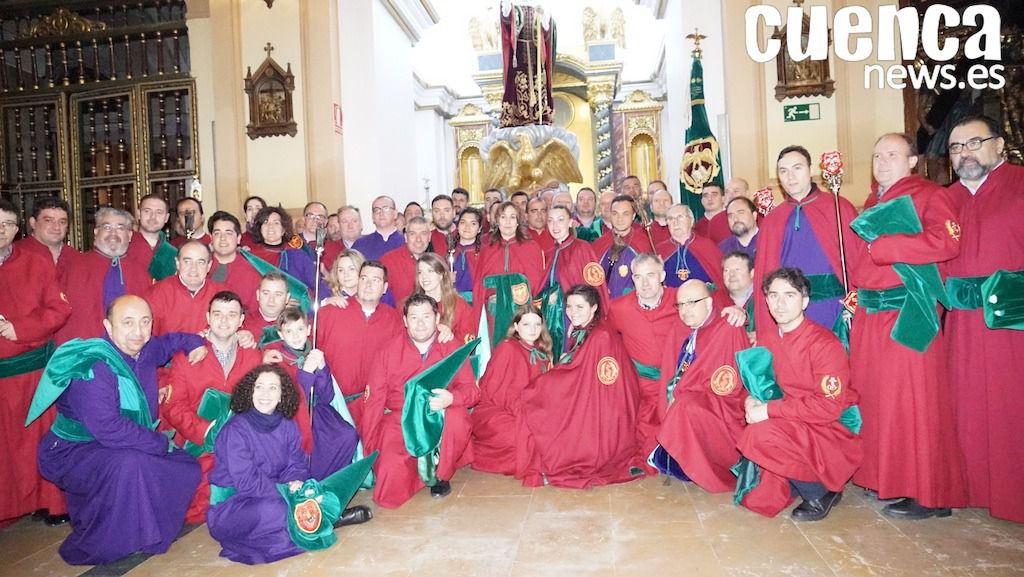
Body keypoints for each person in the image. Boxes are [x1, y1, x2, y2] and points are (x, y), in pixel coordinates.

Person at [848, 132, 967, 520]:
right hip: (872, 314)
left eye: (892, 154)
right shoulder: (871, 202)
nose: (882, 162)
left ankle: (929, 494)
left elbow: (947, 242)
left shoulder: (932, 194)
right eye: (877, 155)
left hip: (909, 311)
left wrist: (885, 249)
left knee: (915, 402)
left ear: (912, 160)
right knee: (880, 401)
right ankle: (889, 479)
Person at [34, 295, 204, 564]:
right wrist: (159, 443)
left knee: (186, 468)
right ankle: (104, 541)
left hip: (122, 442)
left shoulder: (146, 348)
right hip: (74, 450)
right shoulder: (94, 365)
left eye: (145, 322)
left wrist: (195, 342)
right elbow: (108, 428)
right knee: (132, 463)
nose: (138, 331)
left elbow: (171, 342)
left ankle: (147, 531)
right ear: (108, 326)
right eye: (127, 323)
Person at [207, 364, 370, 565]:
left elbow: (297, 464)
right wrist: (287, 492)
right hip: (234, 506)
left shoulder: (287, 424)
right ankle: (326, 522)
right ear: (250, 391)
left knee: (314, 492)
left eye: (273, 388)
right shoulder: (235, 431)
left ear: (282, 395)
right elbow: (247, 482)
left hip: (275, 494)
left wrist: (296, 482)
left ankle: (313, 521)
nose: (265, 394)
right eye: (259, 387)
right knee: (277, 510)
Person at [944, 115, 1024, 523]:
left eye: (974, 143)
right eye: (956, 147)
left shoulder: (1020, 185)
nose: (964, 153)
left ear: (1000, 145)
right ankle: (971, 488)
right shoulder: (946, 200)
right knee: (965, 405)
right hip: (960, 326)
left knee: (1012, 408)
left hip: (1012, 326)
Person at [737, 268, 862, 521]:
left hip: (827, 428)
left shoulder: (825, 344)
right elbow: (761, 383)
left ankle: (820, 492)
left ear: (805, 301)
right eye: (773, 296)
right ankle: (805, 477)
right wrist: (751, 400)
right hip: (791, 422)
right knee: (758, 498)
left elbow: (828, 408)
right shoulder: (768, 338)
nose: (780, 304)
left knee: (759, 435)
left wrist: (768, 411)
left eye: (789, 296)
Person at [517, 284, 640, 488]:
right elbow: (581, 366)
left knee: (539, 394)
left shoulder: (601, 336)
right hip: (596, 394)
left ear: (594, 308)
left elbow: (585, 374)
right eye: (569, 307)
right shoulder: (585, 329)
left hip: (608, 407)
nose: (572, 312)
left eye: (580, 307)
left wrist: (549, 379)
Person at [362, 294, 478, 508]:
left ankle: (440, 475)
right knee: (388, 488)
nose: (421, 323)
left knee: (458, 418)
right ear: (404, 321)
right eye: (414, 317)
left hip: (442, 415)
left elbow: (472, 391)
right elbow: (375, 401)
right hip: (402, 418)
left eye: (426, 316)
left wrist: (452, 398)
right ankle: (413, 469)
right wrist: (369, 450)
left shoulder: (450, 345)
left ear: (437, 318)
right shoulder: (387, 351)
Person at [162, 291, 263, 524]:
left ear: (241, 321)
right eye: (217, 314)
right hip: (199, 444)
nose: (224, 321)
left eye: (232, 315)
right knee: (205, 501)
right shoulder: (186, 356)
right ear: (207, 317)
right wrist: (206, 431)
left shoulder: (252, 356)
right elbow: (173, 406)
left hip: (241, 442)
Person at [0, 199, 72, 526]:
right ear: (33, 224)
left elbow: (59, 310)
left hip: (29, 373)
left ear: (18, 228)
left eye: (8, 224)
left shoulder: (35, 263)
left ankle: (47, 504)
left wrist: (20, 328)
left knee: (36, 445)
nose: (2, 230)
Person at [753, 145, 862, 338]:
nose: (790, 177)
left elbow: (858, 263)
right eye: (783, 171)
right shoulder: (772, 221)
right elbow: (765, 275)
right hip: (789, 313)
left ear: (811, 170)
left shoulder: (838, 208)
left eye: (797, 168)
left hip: (834, 309)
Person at [653, 279, 750, 491]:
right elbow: (670, 371)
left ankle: (703, 469)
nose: (685, 310)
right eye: (680, 305)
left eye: (692, 302)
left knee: (685, 406)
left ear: (708, 303)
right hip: (691, 395)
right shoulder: (681, 328)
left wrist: (688, 391)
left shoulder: (727, 327)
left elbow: (730, 385)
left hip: (721, 406)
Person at [261, 308, 361, 481]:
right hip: (293, 417)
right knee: (305, 446)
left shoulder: (313, 352)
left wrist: (322, 368)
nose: (295, 335)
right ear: (281, 334)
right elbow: (291, 402)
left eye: (300, 329)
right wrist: (306, 372)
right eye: (289, 331)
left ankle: (328, 482)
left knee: (347, 435)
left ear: (308, 330)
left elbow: (327, 396)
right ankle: (305, 483)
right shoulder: (277, 359)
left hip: (318, 411)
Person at [607, 253, 679, 474]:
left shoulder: (680, 300)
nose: (645, 283)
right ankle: (649, 455)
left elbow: (711, 303)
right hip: (639, 383)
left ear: (662, 276)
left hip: (675, 381)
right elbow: (604, 335)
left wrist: (734, 311)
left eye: (650, 275)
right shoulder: (619, 307)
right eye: (638, 277)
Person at [317, 261, 404, 429]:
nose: (369, 285)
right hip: (332, 404)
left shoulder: (394, 320)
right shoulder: (330, 313)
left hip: (373, 407)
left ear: (385, 287)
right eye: (364, 278)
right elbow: (304, 347)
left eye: (376, 280)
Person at [472, 307, 551, 475]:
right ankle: (472, 452)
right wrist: (523, 410)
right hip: (493, 410)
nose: (532, 329)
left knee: (545, 434)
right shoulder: (507, 348)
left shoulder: (541, 353)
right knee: (522, 436)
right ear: (516, 326)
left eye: (537, 324)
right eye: (526, 324)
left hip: (524, 409)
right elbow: (493, 390)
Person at [56, 207, 152, 344]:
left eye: (120, 228)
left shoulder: (141, 274)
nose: (113, 233)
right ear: (96, 232)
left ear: (130, 235)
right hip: (84, 350)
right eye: (107, 227)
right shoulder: (74, 267)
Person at [474, 201, 546, 317]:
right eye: (503, 217)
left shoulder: (531, 247)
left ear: (518, 221)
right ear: (497, 221)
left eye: (512, 217)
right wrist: (491, 296)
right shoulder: (487, 250)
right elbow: (479, 284)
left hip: (522, 310)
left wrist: (511, 296)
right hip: (493, 312)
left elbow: (536, 282)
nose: (508, 222)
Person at [146, 240, 227, 335]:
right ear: (177, 263)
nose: (193, 269)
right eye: (187, 261)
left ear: (209, 266)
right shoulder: (156, 294)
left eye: (200, 262)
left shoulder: (222, 295)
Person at [247, 206, 328, 296]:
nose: (270, 227)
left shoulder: (297, 256)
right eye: (265, 222)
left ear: (283, 229)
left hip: (295, 307)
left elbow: (318, 285)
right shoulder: (251, 257)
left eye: (276, 223)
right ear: (260, 228)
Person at [593, 196, 655, 298]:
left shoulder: (644, 242)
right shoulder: (599, 244)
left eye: (625, 214)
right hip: (605, 305)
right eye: (615, 213)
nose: (619, 219)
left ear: (633, 215)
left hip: (636, 305)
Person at [656, 204, 724, 290]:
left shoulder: (707, 246)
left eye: (680, 217)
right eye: (670, 219)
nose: (675, 222)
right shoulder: (659, 251)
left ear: (691, 221)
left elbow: (719, 280)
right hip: (672, 300)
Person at [207, 211, 263, 315]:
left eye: (228, 233)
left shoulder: (252, 272)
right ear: (211, 238)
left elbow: (255, 312)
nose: (222, 238)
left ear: (238, 238)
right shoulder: (198, 267)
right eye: (217, 233)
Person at [413, 253, 476, 344]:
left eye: (430, 271)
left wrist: (450, 336)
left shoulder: (459, 305)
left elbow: (467, 343)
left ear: (441, 275)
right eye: (420, 272)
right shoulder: (412, 306)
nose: (424, 277)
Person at [16, 196, 80, 273]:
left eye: (62, 222)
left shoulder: (76, 258)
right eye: (48, 221)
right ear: (33, 223)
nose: (56, 227)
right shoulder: (14, 254)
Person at [380, 216, 431, 306]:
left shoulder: (435, 262)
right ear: (406, 237)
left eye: (423, 233)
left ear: (429, 237)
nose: (418, 239)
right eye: (413, 234)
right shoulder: (389, 261)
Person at [125, 193, 175, 280]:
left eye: (159, 212)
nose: (152, 217)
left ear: (166, 218)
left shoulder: (173, 253)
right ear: (138, 214)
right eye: (147, 211)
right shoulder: (123, 246)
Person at [241, 272, 291, 340]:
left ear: (287, 298)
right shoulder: (242, 324)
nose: (271, 300)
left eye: (278, 294)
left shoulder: (298, 325)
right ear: (258, 295)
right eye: (266, 293)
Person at [353, 196, 405, 261]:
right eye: (376, 210)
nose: (381, 213)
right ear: (372, 217)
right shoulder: (360, 244)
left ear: (395, 214)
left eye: (385, 208)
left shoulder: (406, 242)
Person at [451, 207, 484, 304]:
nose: (467, 227)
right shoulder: (450, 252)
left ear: (479, 229)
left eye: (473, 223)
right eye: (463, 222)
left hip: (477, 301)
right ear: (457, 226)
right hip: (454, 300)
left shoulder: (484, 253)